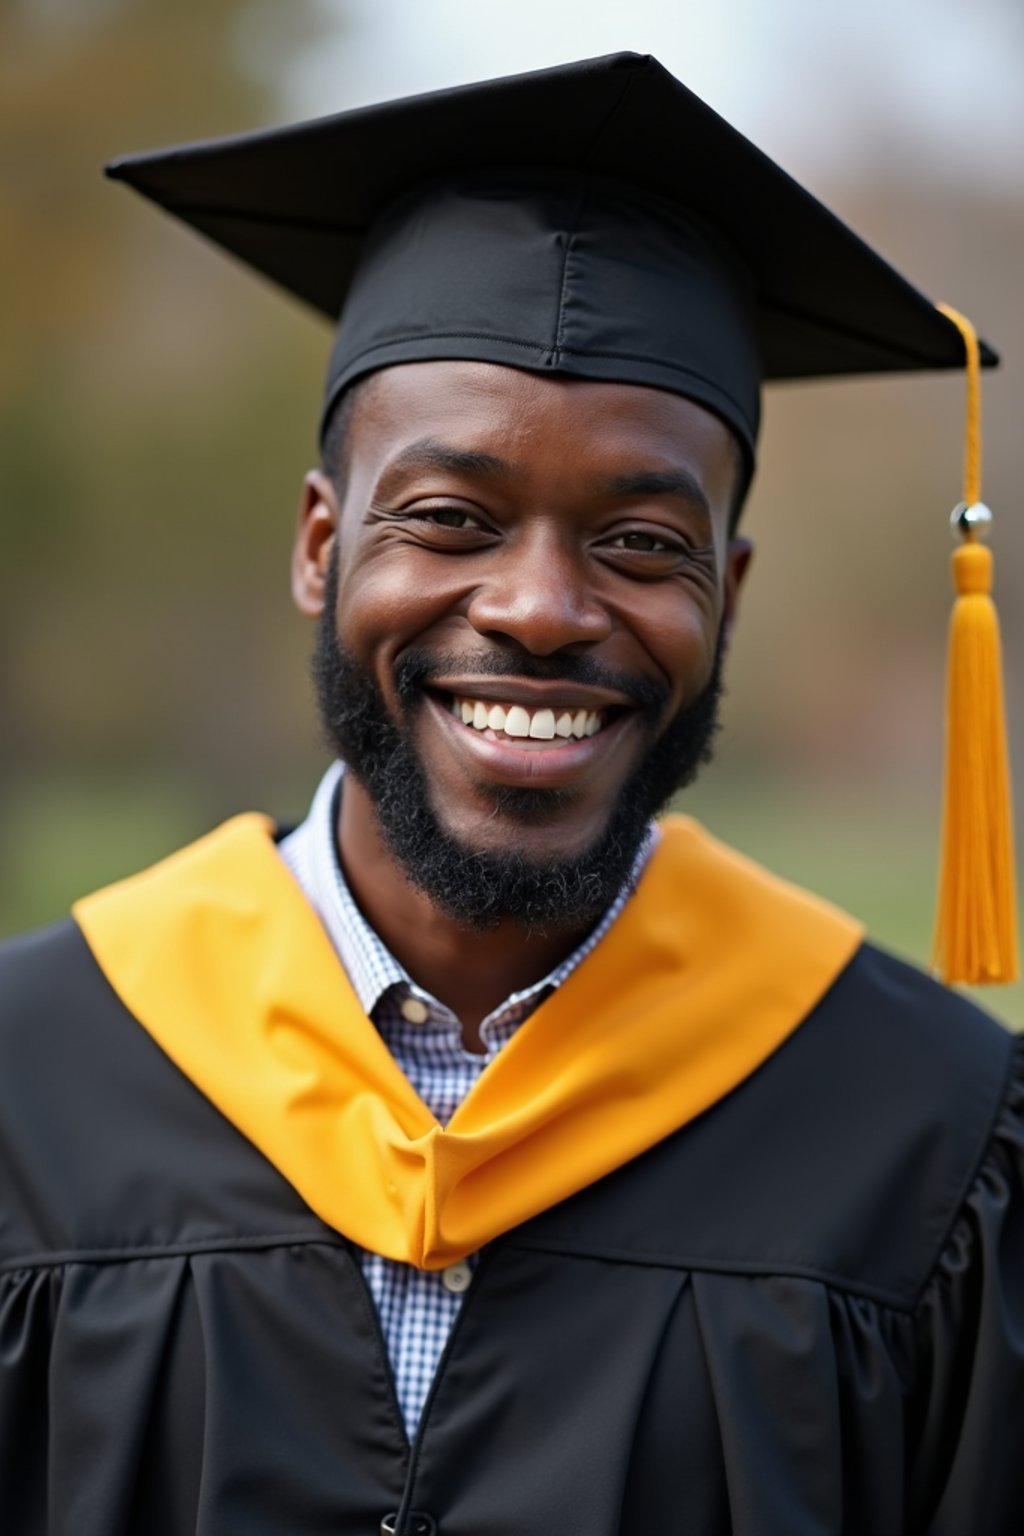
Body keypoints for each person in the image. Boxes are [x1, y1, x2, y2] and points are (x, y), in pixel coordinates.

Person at [1, 52, 1021, 1536]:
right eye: (450, 519)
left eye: (642, 542)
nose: (541, 607)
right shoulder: (30, 1085)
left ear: (727, 598)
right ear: (317, 545)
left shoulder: (926, 1140)